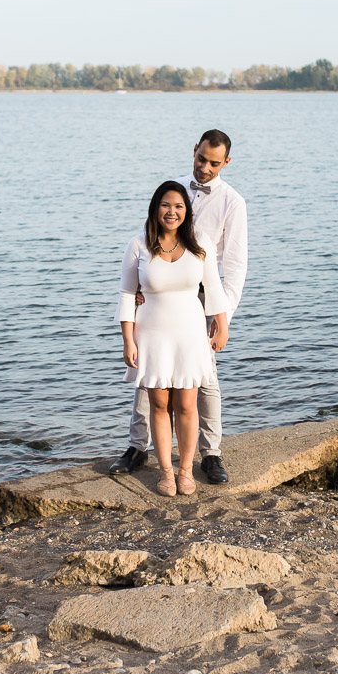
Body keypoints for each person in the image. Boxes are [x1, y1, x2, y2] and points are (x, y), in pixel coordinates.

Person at [110, 129, 248, 483]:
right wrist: (146, 288)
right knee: (150, 378)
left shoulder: (233, 202)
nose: (205, 167)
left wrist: (223, 317)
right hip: (159, 295)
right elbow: (147, 244)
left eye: (214, 163)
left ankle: (211, 453)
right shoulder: (174, 191)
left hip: (201, 297)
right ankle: (138, 447)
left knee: (204, 380)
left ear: (226, 163)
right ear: (194, 152)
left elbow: (233, 267)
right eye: (201, 159)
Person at [118, 181, 230, 496]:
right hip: (151, 334)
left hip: (191, 333)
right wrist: (128, 340)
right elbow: (127, 295)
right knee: (158, 402)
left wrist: (222, 324)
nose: (172, 212)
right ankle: (166, 472)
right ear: (156, 209)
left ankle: (185, 470)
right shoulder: (138, 245)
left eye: (179, 206)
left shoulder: (199, 243)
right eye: (166, 205)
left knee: (187, 403)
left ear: (186, 211)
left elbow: (214, 287)